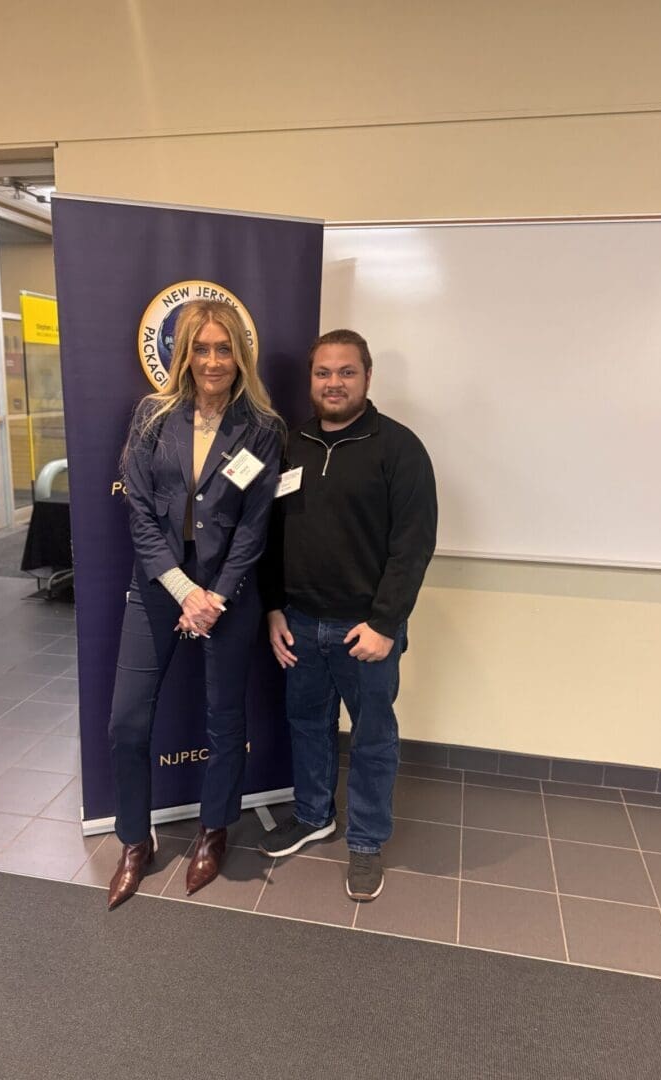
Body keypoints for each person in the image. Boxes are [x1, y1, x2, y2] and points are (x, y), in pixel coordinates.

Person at [107, 299, 282, 909]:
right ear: (183, 354)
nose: (213, 361)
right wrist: (185, 591)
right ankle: (135, 840)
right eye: (202, 349)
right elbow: (140, 512)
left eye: (224, 348)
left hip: (228, 591)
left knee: (225, 719)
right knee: (126, 722)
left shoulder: (261, 429)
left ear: (240, 355)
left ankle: (214, 829)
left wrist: (216, 595)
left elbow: (254, 527)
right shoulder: (153, 418)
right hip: (159, 586)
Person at [258, 328, 437, 901]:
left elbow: (413, 545)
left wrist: (385, 622)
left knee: (372, 738)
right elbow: (269, 533)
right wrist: (273, 609)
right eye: (322, 373)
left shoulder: (400, 448)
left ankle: (365, 842)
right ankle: (314, 816)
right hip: (301, 624)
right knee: (307, 726)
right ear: (310, 378)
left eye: (346, 372)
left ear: (366, 377)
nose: (333, 383)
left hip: (367, 629)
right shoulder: (289, 444)